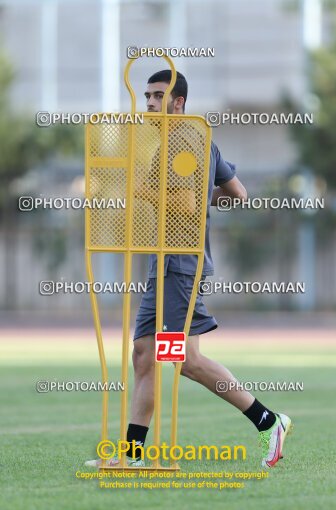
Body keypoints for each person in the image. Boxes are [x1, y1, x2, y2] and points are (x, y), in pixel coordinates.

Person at [86, 70, 292, 470]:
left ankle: (269, 421)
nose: (148, 103)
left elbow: (184, 205)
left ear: (178, 102)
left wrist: (137, 186)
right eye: (146, 95)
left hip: (181, 265)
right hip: (163, 261)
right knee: (144, 353)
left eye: (157, 96)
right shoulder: (191, 139)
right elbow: (238, 193)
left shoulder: (183, 141)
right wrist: (202, 202)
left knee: (184, 360)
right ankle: (131, 457)